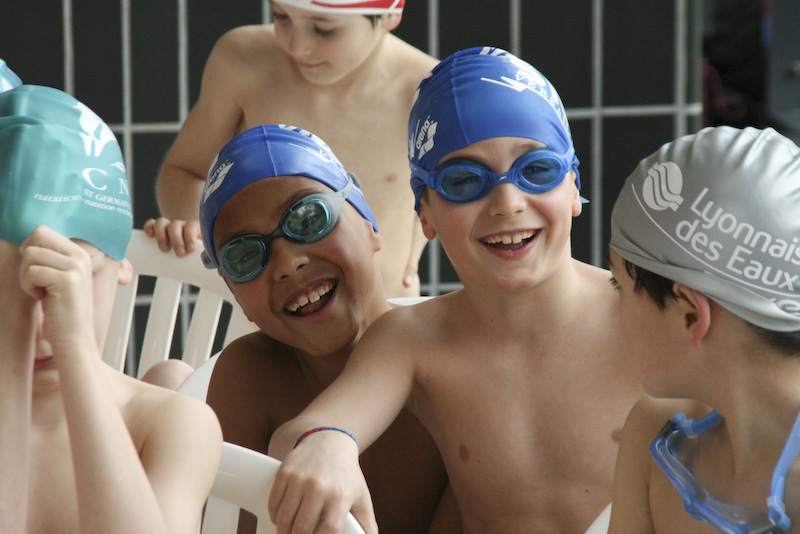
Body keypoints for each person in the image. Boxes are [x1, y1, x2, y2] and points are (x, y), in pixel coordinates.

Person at [265, 47, 646, 534]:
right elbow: (300, 433)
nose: (507, 203)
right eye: (464, 181)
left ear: (573, 185)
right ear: (424, 213)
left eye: (537, 170)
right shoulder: (413, 340)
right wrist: (328, 443)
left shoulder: (642, 317)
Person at [199, 123, 452, 534]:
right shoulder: (249, 377)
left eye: (308, 218)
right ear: (238, 298)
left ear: (370, 225)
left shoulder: (452, 356)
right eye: (244, 256)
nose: (287, 263)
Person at [0, 84, 222, 534]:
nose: (41, 324)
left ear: (122, 265)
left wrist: (76, 351)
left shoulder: (171, 425)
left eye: (71, 280)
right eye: (8, 288)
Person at [148, 0, 437, 299]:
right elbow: (185, 170)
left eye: (324, 29)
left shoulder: (425, 92)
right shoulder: (244, 61)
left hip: (384, 311)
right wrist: (194, 225)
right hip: (274, 309)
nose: (297, 47)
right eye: (281, 16)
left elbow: (455, 193)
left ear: (389, 14)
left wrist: (424, 232)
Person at [606, 126, 800, 534]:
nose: (612, 310)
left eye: (619, 286)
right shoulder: (653, 432)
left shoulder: (660, 442)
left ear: (691, 315)